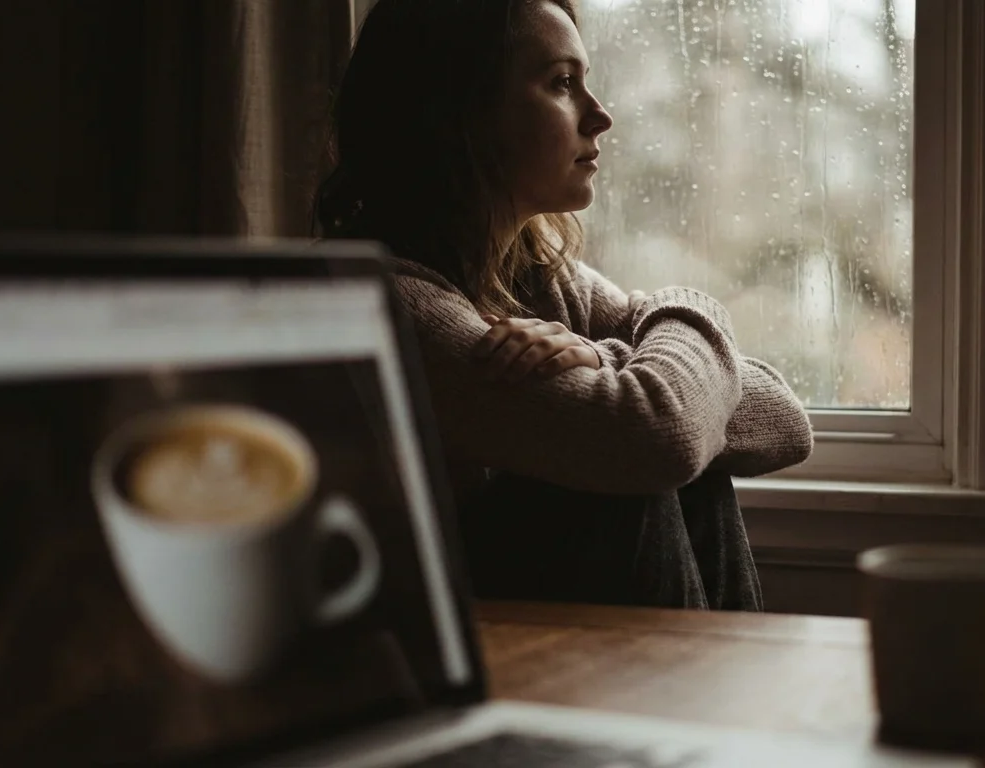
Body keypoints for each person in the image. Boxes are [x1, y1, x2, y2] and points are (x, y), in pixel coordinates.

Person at [313, 0, 813, 611]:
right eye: (562, 83)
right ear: (461, 111)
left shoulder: (539, 279)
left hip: (552, 633)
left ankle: (724, 703)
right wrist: (655, 369)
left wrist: (608, 360)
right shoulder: (383, 305)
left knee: (688, 460)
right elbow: (657, 437)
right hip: (454, 651)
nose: (600, 115)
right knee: (628, 473)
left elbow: (786, 420)